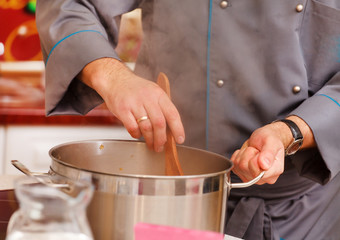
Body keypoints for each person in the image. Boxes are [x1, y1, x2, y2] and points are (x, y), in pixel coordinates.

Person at [36, 1, 340, 239]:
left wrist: (291, 131)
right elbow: (68, 5)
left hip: (303, 214)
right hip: (162, 198)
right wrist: (113, 77)